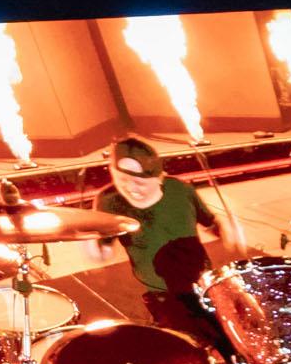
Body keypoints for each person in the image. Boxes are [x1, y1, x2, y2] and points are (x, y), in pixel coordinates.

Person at [96, 138, 239, 333]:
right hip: (162, 294)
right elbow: (103, 250)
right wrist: (88, 243)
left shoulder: (180, 190)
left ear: (159, 177)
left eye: (139, 182)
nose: (131, 188)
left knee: (233, 331)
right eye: (122, 180)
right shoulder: (109, 202)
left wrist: (226, 227)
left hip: (203, 280)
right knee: (185, 341)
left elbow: (211, 223)